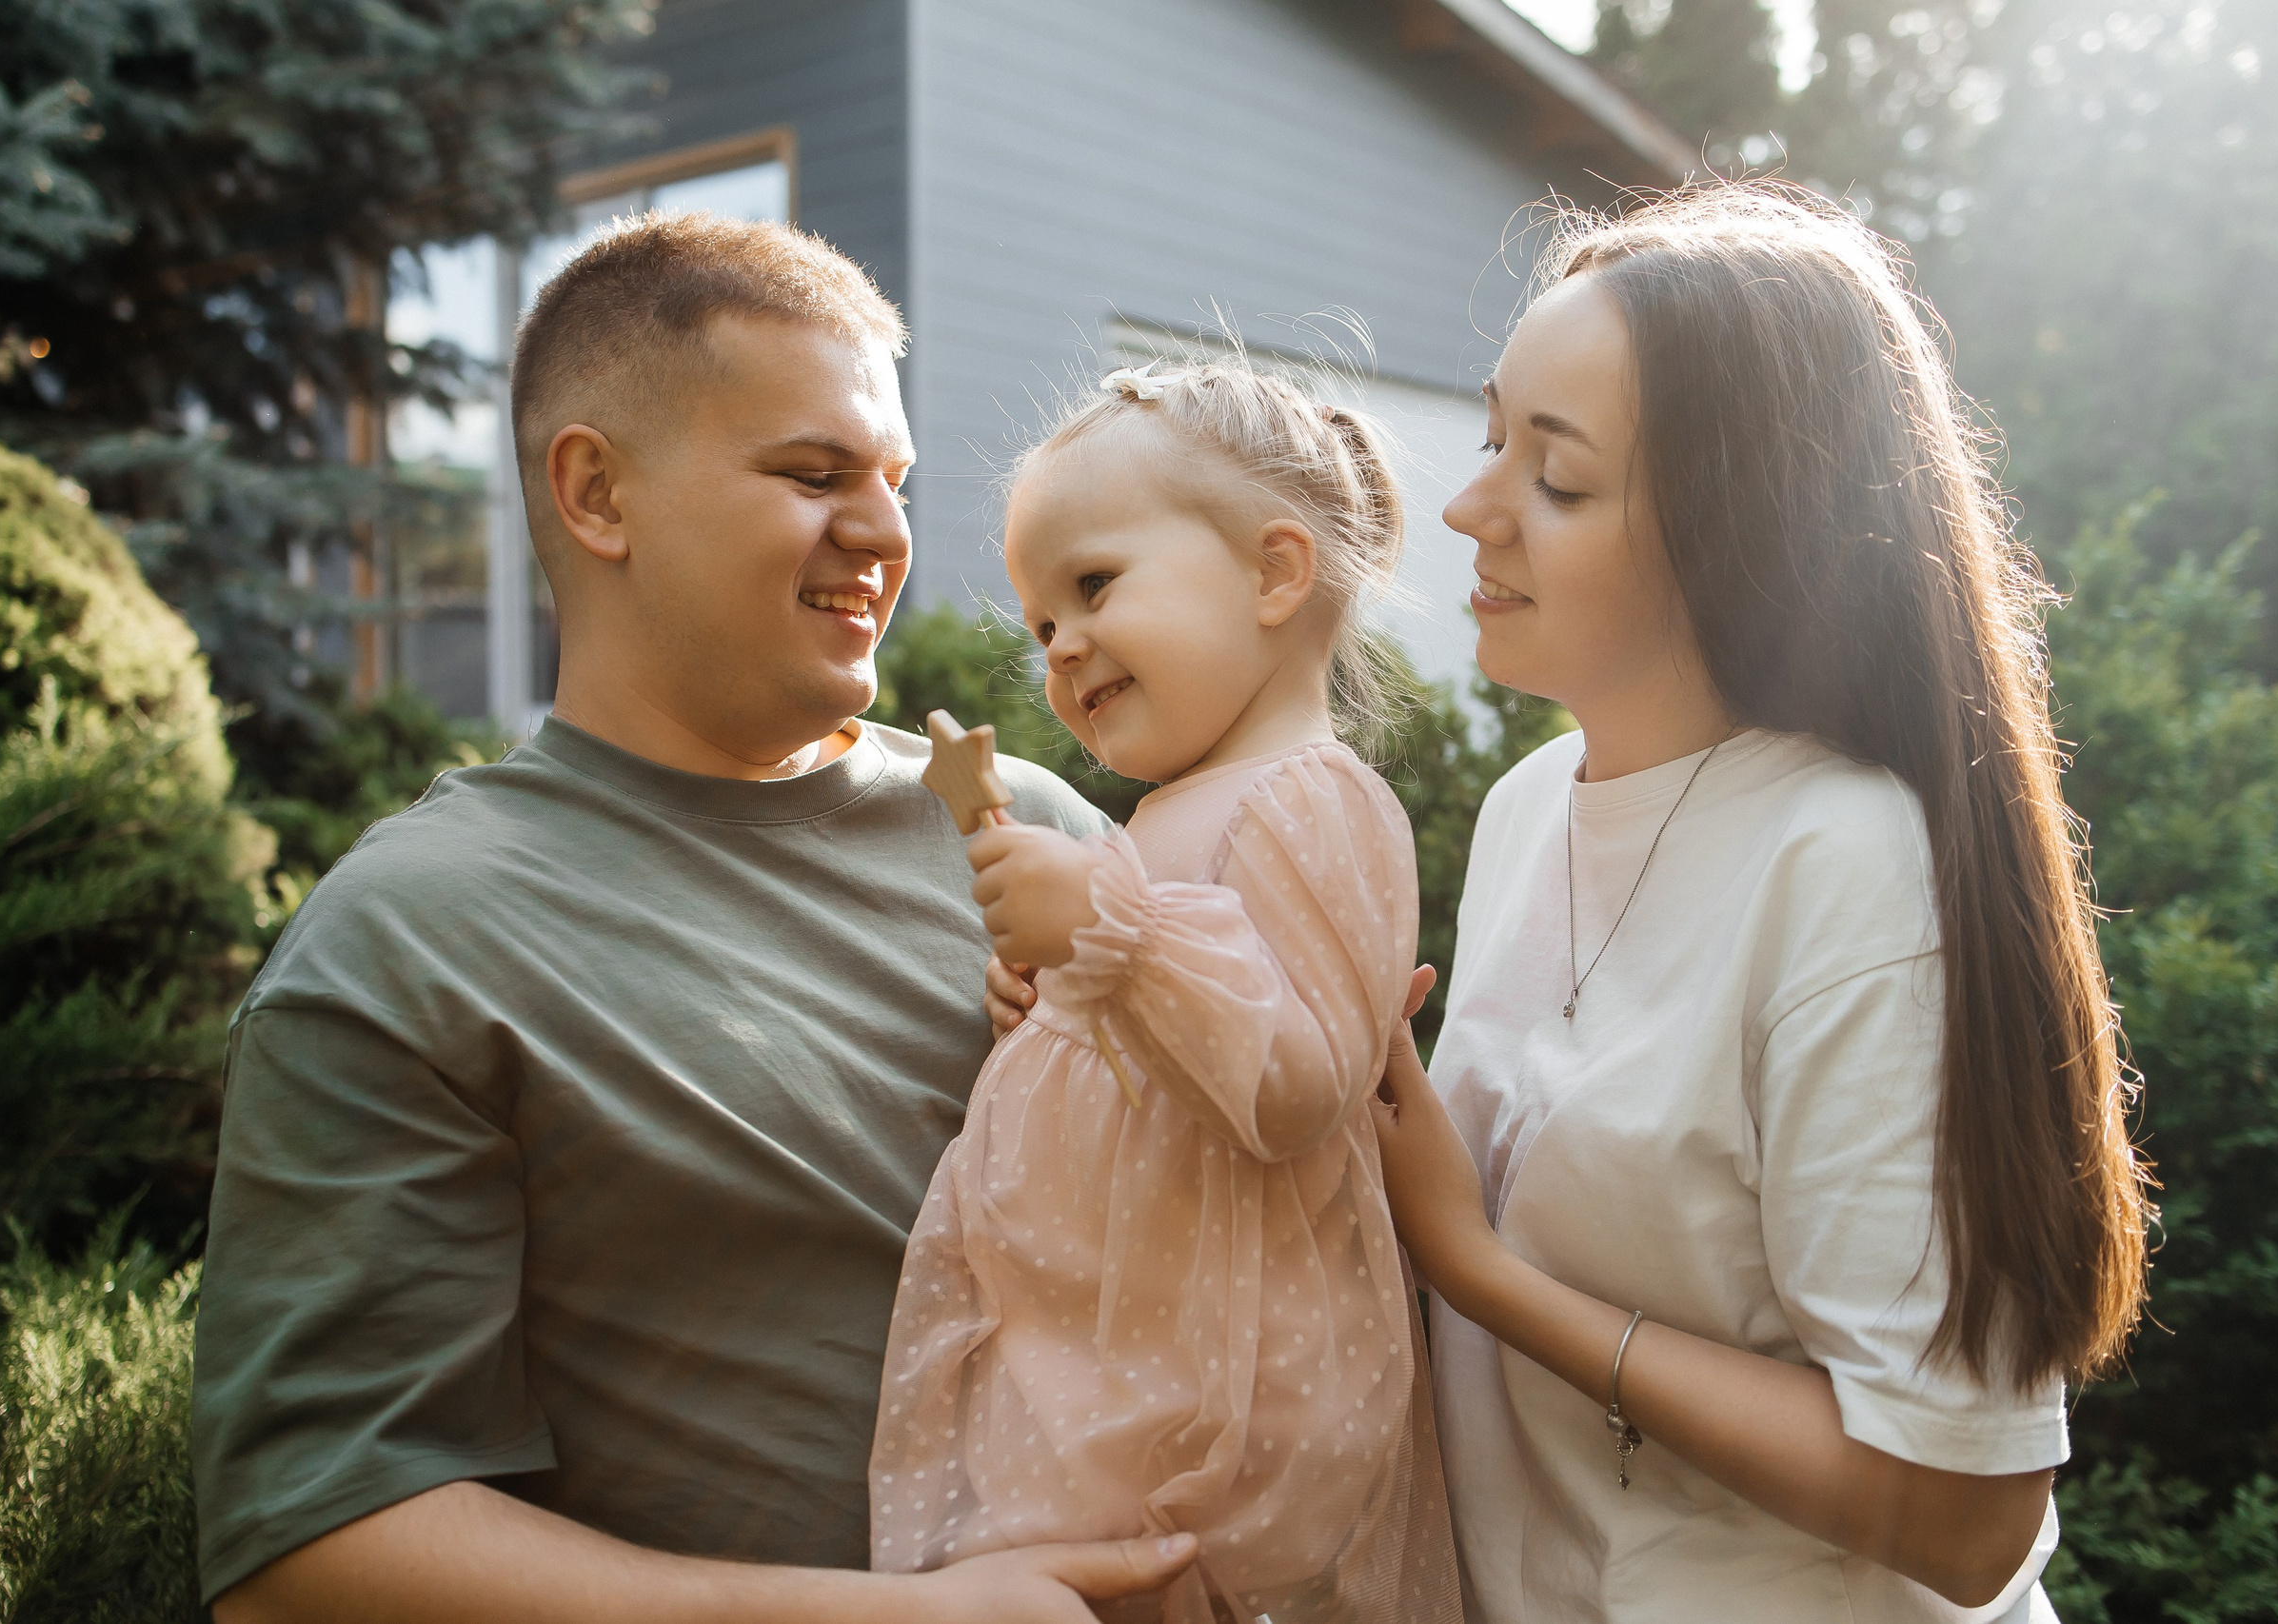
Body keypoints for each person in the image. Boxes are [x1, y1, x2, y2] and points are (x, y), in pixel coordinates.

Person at [193, 212, 1205, 1623]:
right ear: (597, 494)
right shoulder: (412, 941)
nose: (888, 532)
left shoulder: (1030, 830)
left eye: (898, 480)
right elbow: (313, 1550)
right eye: (813, 473)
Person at [1369, 185, 2153, 1622]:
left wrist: (1477, 1269)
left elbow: (1968, 1513)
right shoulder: (1529, 807)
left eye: (1558, 476)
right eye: (1495, 438)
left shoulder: (1849, 862)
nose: (1470, 506)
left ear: (1740, 525)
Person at [878, 361, 1457, 1624]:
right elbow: (1167, 1042)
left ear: (1274, 574)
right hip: (1118, 1360)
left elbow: (1300, 1085)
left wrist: (1112, 932)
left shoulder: (1316, 798)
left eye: (1093, 586)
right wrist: (1057, 1003)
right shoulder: (1160, 817)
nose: (1061, 644)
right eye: (1038, 624)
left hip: (1236, 1388)